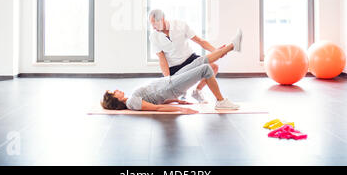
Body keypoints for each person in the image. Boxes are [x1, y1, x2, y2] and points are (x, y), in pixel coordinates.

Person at [101, 30, 243, 113]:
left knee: (200, 62)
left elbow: (158, 99)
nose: (117, 90)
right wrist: (180, 110)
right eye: (114, 92)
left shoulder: (132, 98)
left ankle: (231, 46)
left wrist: (177, 102)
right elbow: (156, 108)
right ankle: (220, 101)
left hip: (170, 81)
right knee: (206, 69)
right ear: (116, 100)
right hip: (171, 86)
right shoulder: (131, 103)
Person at [148, 9, 227, 103]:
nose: (153, 27)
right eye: (151, 24)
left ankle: (197, 91)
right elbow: (162, 59)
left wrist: (216, 51)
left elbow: (200, 41)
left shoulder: (180, 25)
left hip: (190, 58)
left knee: (213, 67)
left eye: (155, 24)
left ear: (162, 19)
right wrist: (167, 79)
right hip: (174, 67)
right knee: (169, 99)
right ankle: (182, 92)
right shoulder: (153, 37)